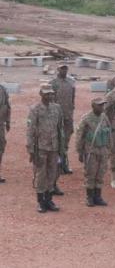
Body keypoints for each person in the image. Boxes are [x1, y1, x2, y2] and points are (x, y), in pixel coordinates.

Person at [27, 84, 64, 213]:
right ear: (41, 94)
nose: (49, 96)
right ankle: (41, 201)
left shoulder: (57, 108)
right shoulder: (35, 109)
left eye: (51, 93)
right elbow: (30, 131)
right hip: (40, 147)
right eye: (47, 93)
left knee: (52, 174)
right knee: (41, 174)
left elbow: (60, 129)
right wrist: (31, 149)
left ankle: (49, 200)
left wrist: (62, 148)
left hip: (54, 147)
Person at [76, 97, 111, 207]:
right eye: (99, 105)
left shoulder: (104, 118)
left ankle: (98, 196)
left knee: (100, 173)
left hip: (103, 150)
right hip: (91, 151)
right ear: (93, 106)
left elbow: (109, 133)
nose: (102, 107)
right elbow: (79, 136)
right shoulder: (86, 119)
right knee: (90, 174)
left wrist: (110, 148)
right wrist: (80, 152)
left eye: (103, 105)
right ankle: (89, 197)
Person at [50, 62, 75, 179]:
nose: (64, 71)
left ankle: (64, 164)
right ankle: (57, 166)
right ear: (57, 70)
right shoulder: (53, 83)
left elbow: (72, 99)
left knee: (66, 142)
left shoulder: (71, 82)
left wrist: (71, 112)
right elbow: (49, 101)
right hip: (56, 118)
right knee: (56, 142)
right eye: (61, 69)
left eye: (65, 69)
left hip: (68, 116)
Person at [0, 81, 10, 183]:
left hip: (0, 125)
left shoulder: (2, 89)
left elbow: (7, 106)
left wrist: (8, 121)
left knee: (1, 148)